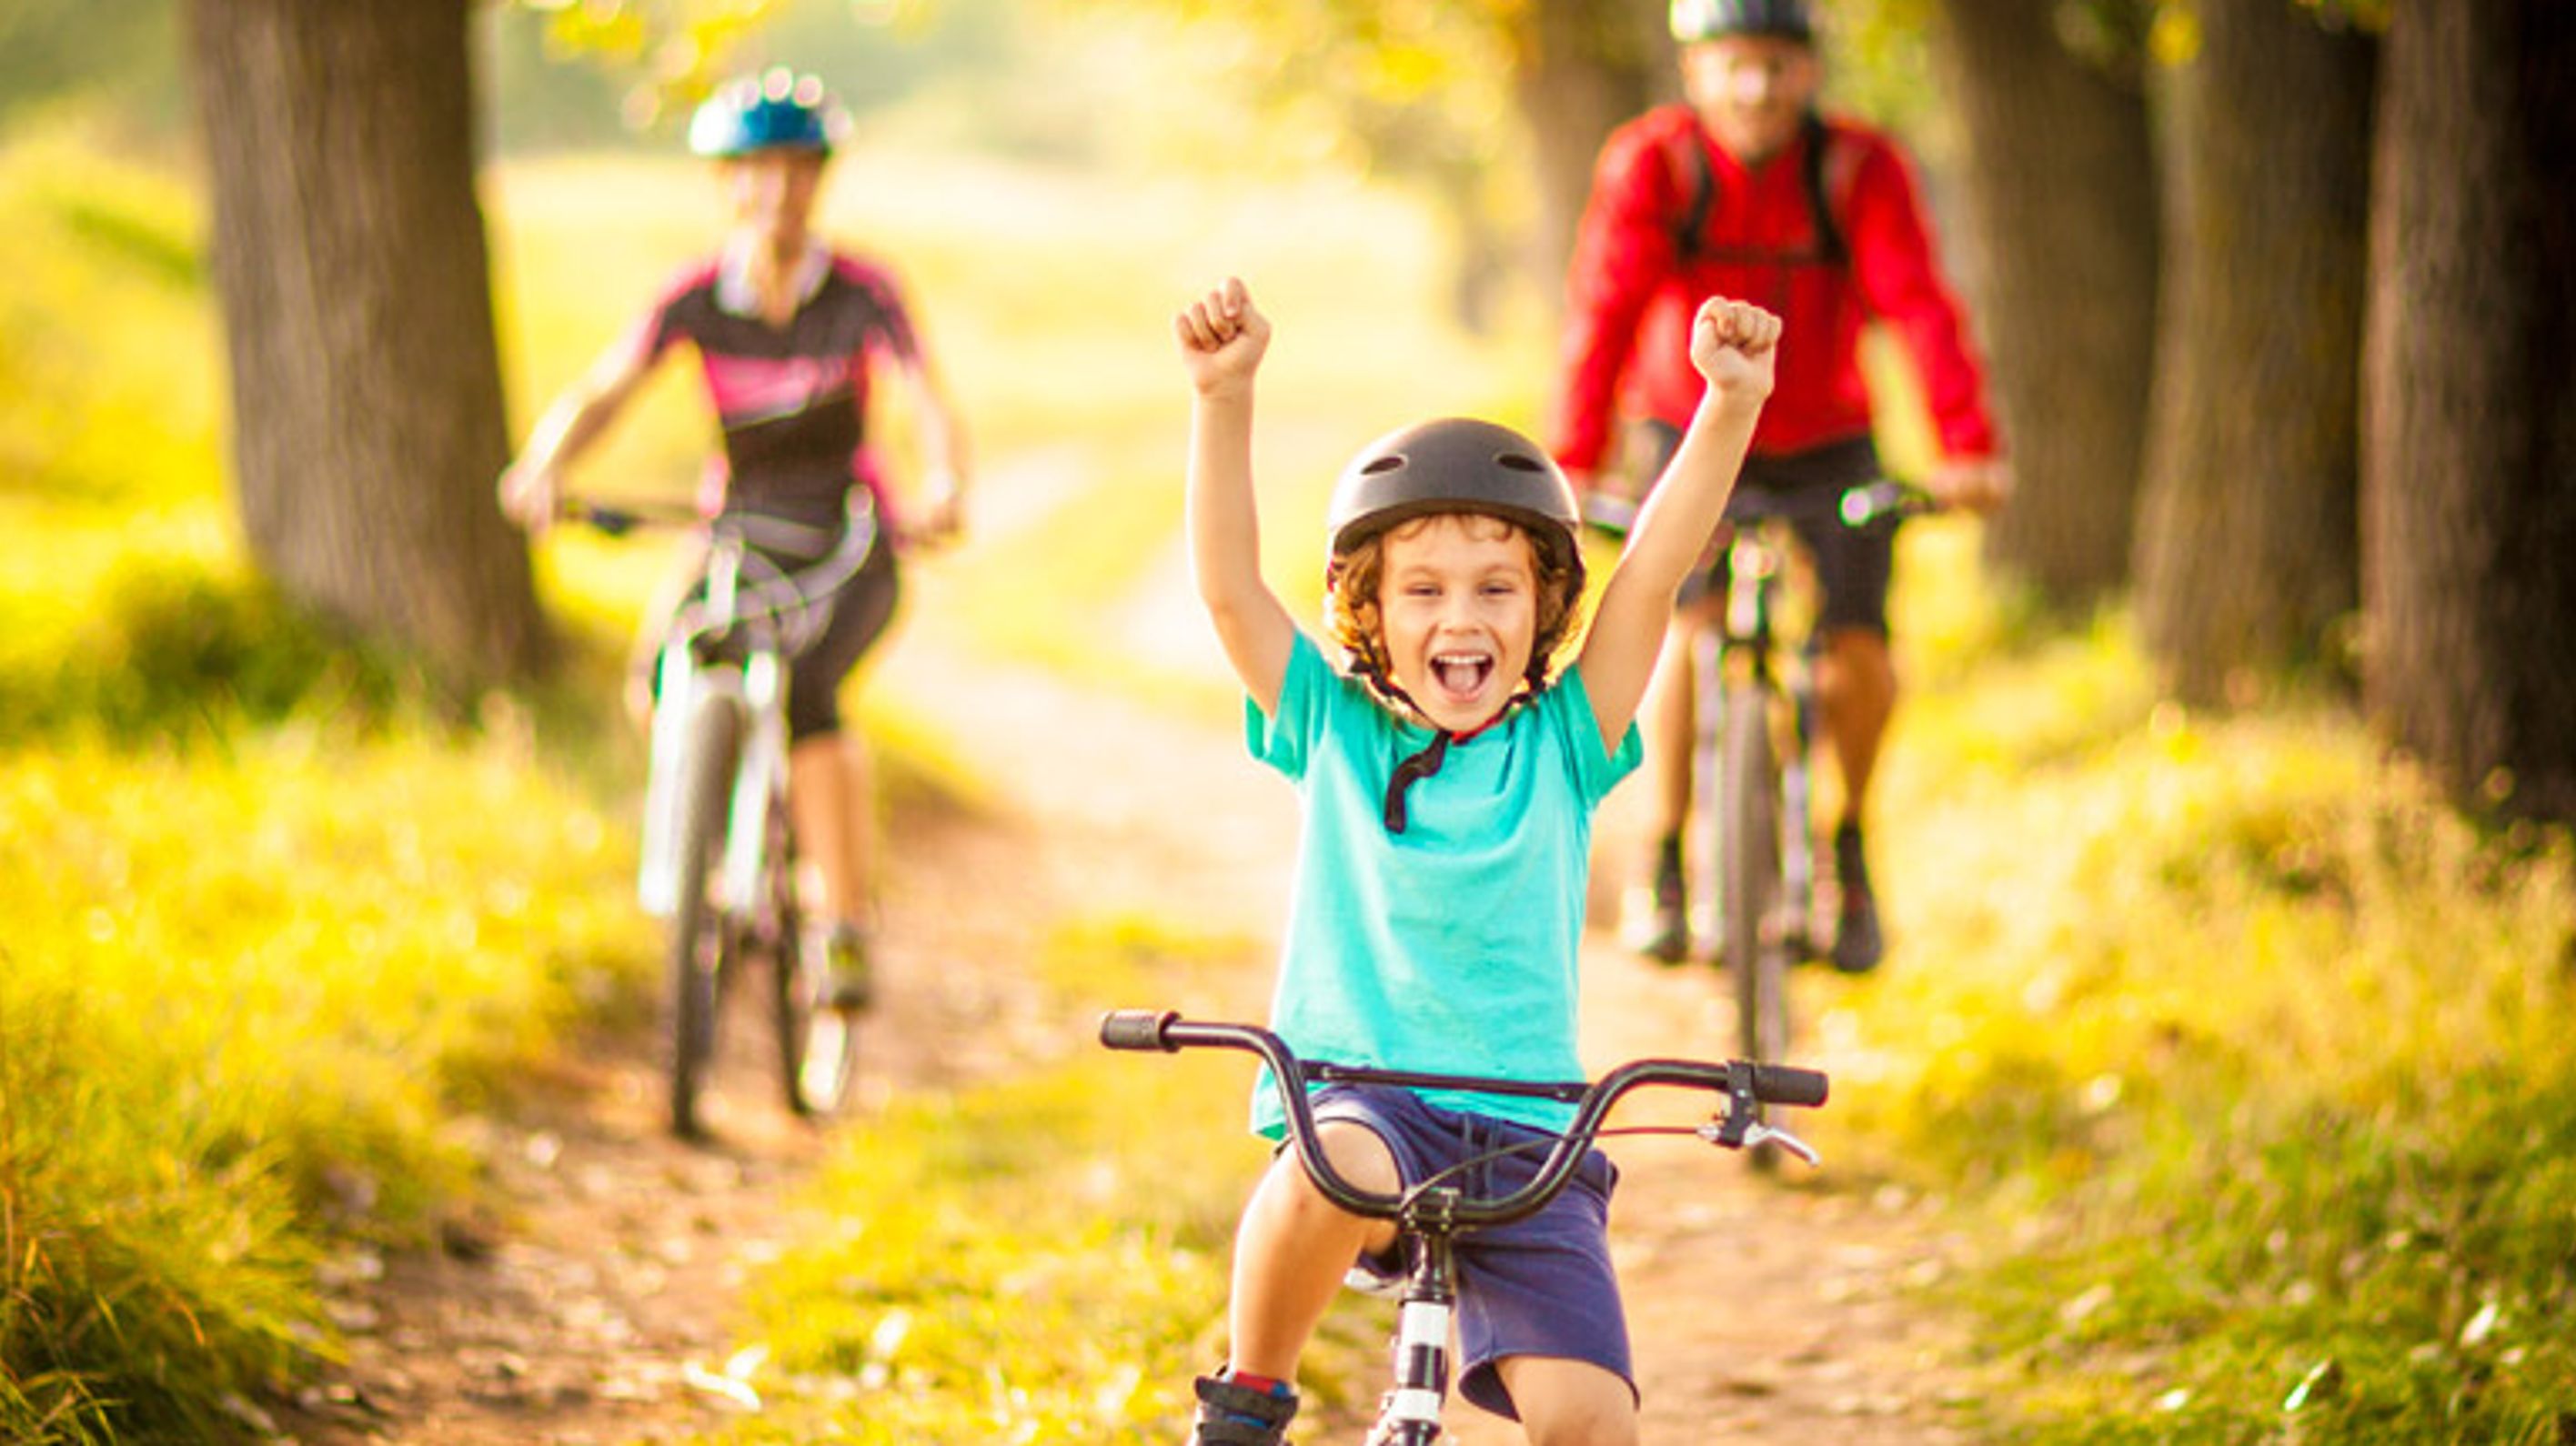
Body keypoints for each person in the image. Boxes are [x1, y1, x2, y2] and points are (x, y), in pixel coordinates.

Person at [1172, 274, 1777, 1445]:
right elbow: (1230, 591)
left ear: (1543, 612)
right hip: (1362, 1099)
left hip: (1531, 1139)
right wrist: (1223, 395)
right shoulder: (1337, 731)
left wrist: (1729, 405)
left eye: (1499, 589)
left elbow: (1651, 570)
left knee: (1592, 1424)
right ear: (1370, 615)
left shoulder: (1565, 742)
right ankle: (1249, 1399)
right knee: (1323, 1161)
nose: (1464, 619)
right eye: (1426, 592)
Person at [1551, 0, 2009, 973]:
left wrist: (1966, 444)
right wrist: (1573, 457)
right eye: (1733, 64)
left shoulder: (1857, 168)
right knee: (1688, 626)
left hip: (1827, 438)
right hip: (1689, 428)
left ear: (1810, 74)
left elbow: (1917, 303)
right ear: (1694, 71)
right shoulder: (1656, 166)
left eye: (1778, 64)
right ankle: (1666, 857)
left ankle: (1850, 847)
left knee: (1857, 649)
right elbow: (1603, 308)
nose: (1755, 87)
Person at [498, 68, 970, 1004]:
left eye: (797, 169)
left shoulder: (864, 291)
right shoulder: (696, 298)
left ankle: (841, 924)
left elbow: (925, 398)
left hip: (848, 537)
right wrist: (545, 463)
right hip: (739, 533)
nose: (778, 191)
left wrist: (944, 484)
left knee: (808, 696)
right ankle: (714, 855)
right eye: (756, 170)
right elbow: (605, 389)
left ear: (819, 179)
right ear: (727, 182)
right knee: (660, 679)